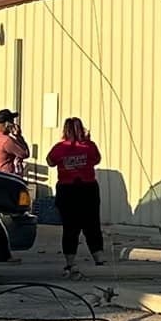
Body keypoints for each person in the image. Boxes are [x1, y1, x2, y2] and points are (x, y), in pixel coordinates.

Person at [47, 117, 103, 274]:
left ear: (65, 130)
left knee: (70, 227)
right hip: (88, 189)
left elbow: (50, 162)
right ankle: (98, 258)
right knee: (92, 224)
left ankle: (70, 262)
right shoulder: (89, 146)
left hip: (67, 189)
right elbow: (97, 160)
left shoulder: (60, 147)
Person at [0, 109, 29, 178]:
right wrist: (19, 136)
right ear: (7, 124)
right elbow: (25, 153)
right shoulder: (6, 141)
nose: (14, 124)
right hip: (5, 177)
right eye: (12, 122)